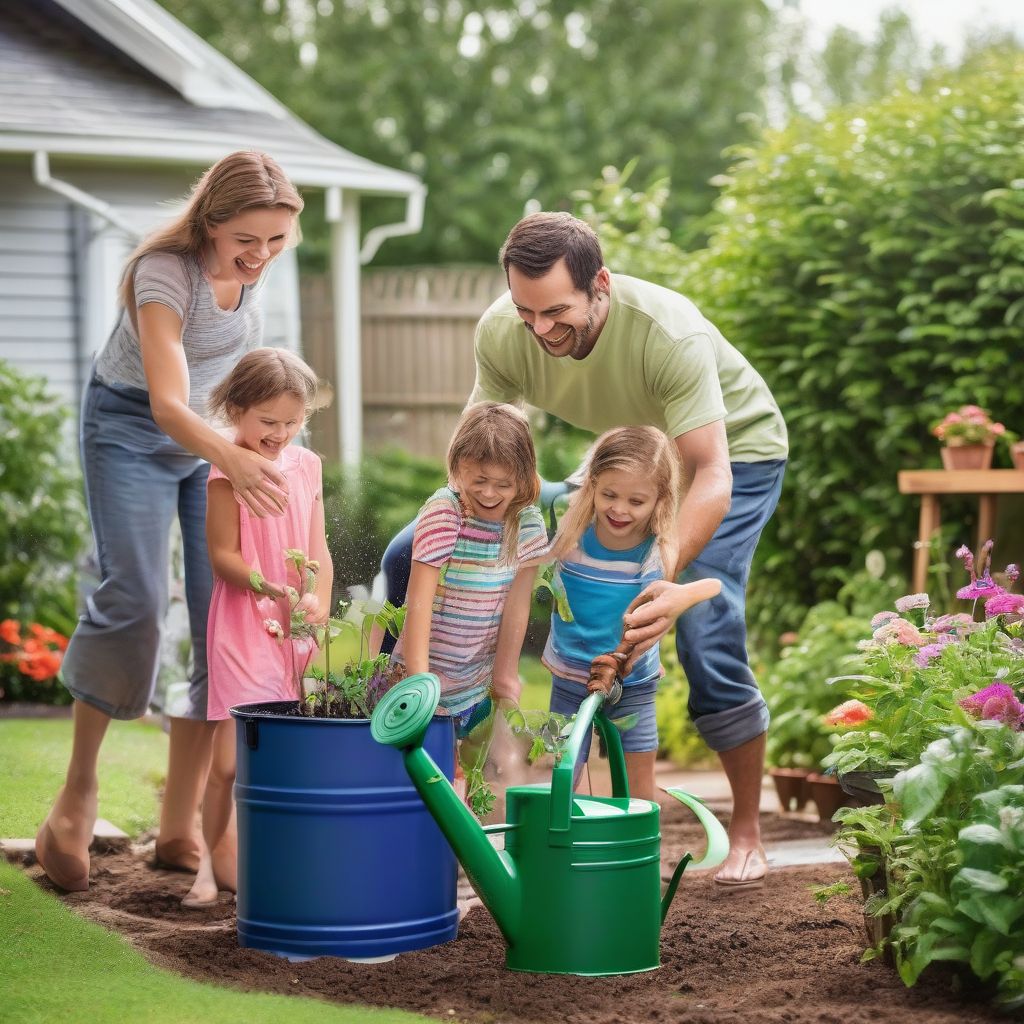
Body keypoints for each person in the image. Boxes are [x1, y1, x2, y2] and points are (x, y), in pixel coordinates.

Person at [384, 211, 787, 890]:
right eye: (525, 311)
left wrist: (662, 576)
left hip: (729, 456)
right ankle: (436, 732)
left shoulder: (668, 333)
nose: (539, 330)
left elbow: (709, 470)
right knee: (405, 555)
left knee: (704, 631)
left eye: (557, 312)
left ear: (600, 284)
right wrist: (455, 535)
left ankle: (747, 832)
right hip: (621, 457)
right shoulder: (504, 332)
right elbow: (483, 457)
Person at [35, 152, 304, 893]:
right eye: (247, 239)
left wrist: (274, 441)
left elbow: (240, 375)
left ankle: (182, 822)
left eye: (277, 241)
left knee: (228, 615)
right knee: (137, 603)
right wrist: (233, 454)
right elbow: (166, 401)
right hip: (131, 429)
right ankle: (76, 796)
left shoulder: (252, 267)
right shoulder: (164, 273)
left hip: (213, 438)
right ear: (212, 220)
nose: (260, 256)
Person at [183, 348, 332, 907]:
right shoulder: (225, 468)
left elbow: (320, 549)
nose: (280, 433)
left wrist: (317, 598)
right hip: (245, 623)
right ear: (238, 409)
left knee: (278, 752)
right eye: (268, 421)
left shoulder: (307, 466)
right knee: (229, 759)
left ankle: (264, 858)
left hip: (294, 629)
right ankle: (207, 859)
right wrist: (265, 585)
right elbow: (221, 555)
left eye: (292, 422)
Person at [542, 426, 720, 800]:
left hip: (632, 681)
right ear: (591, 485)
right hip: (569, 672)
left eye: (637, 501)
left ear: (660, 500)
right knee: (564, 770)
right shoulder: (568, 531)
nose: (620, 510)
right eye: (609, 495)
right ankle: (558, 846)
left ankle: (642, 851)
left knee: (638, 781)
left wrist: (619, 661)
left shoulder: (654, 552)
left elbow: (697, 594)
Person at [390, 402, 549, 742]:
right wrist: (419, 685)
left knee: (469, 780)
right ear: (459, 466)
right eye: (479, 480)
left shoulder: (527, 525)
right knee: (422, 779)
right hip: (420, 677)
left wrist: (505, 677)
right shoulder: (446, 515)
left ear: (522, 479)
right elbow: (418, 602)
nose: (489, 493)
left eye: (503, 484)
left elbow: (517, 606)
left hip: (475, 685)